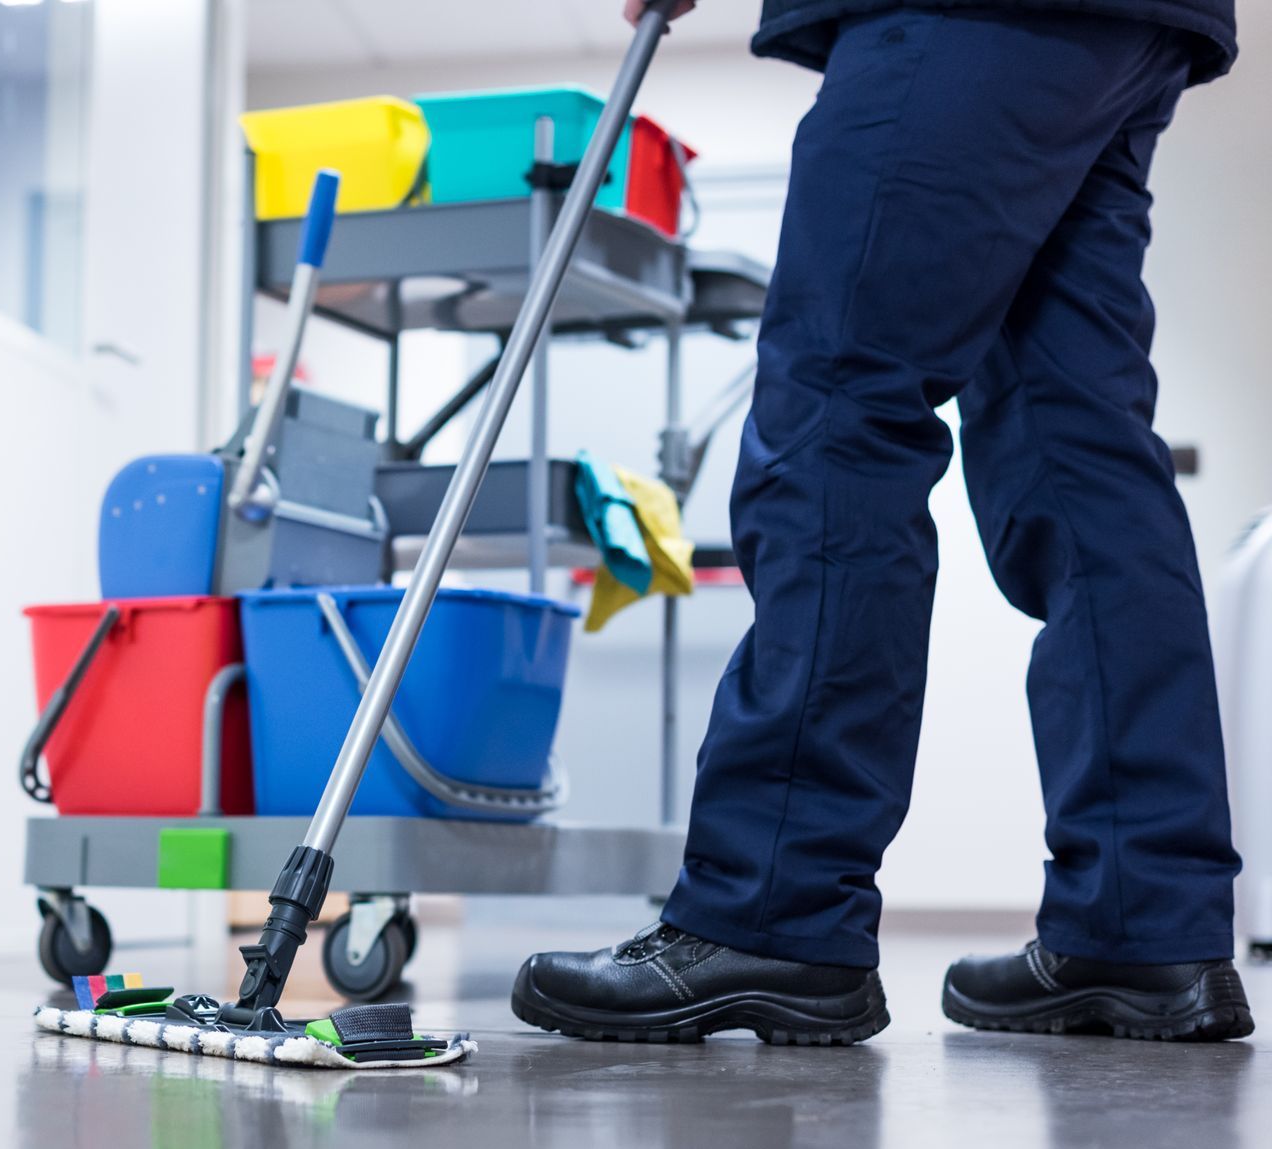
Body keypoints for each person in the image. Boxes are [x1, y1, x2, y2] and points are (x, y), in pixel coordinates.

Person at [513, 0, 1252, 1044]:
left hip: (955, 14)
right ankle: (1143, 925)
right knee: (1078, 450)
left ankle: (775, 908)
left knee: (840, 399)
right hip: (1134, 23)